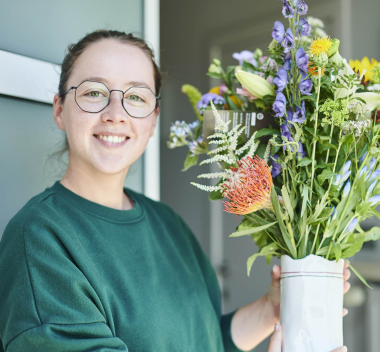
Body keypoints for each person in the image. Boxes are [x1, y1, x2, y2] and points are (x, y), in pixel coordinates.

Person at [0, 29, 350, 352]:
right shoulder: (40, 240)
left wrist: (271, 307)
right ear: (60, 110)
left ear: (152, 121)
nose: (115, 113)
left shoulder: (169, 224)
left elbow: (204, 338)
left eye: (135, 97)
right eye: (94, 92)